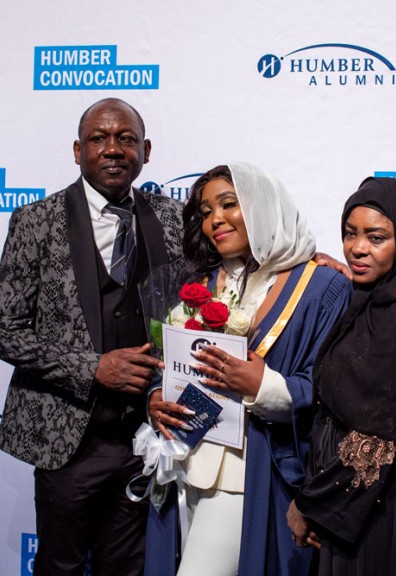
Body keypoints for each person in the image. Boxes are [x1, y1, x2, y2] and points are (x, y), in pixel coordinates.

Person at [0, 98, 183, 576]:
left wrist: (315, 260)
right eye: (99, 138)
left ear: (146, 151)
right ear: (78, 151)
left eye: (126, 139)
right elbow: (1, 332)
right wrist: (92, 367)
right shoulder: (36, 221)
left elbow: (241, 250)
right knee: (62, 566)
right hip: (69, 439)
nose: (113, 149)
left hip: (150, 438)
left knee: (131, 568)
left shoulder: (175, 217)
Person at [144, 162, 354, 576]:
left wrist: (263, 386)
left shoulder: (323, 287)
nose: (214, 220)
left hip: (248, 471)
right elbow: (171, 362)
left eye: (228, 204)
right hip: (182, 467)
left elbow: (333, 395)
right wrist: (156, 394)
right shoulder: (201, 284)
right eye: (205, 212)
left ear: (263, 206)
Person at [287, 176, 396, 575]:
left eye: (376, 237)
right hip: (359, 501)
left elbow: (377, 441)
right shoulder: (376, 303)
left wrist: (309, 505)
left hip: (384, 507)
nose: (357, 248)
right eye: (350, 234)